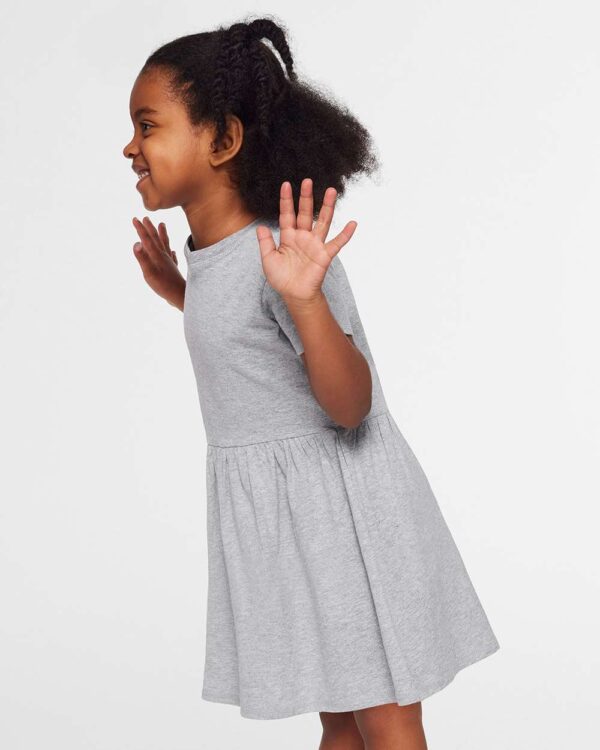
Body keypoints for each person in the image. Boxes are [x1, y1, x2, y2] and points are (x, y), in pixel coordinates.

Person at [122, 15, 500, 749]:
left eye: (148, 126)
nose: (130, 147)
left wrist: (305, 300)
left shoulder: (286, 257)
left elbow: (351, 404)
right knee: (338, 715)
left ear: (222, 140)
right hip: (292, 518)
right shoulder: (216, 253)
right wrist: (184, 294)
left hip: (344, 513)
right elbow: (249, 348)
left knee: (385, 716)